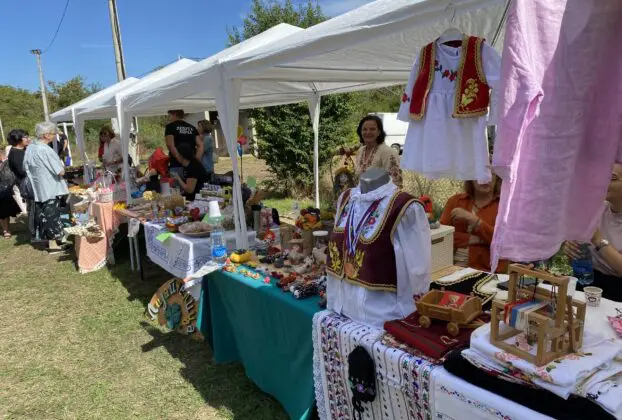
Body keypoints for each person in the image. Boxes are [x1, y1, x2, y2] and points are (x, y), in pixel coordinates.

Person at [565, 162, 622, 301]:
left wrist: (598, 239)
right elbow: (577, 259)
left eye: (612, 178)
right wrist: (572, 250)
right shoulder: (597, 209)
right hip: (588, 281)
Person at [440, 176, 507, 273]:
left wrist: (476, 221)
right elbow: (442, 237)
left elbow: (505, 242)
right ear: (470, 177)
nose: (485, 179)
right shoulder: (455, 201)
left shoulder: (504, 205)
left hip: (488, 272)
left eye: (490, 174)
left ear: (497, 178)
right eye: (480, 174)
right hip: (452, 269)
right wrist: (476, 239)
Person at [24, 122, 69, 248]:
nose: (55, 136)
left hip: (38, 186)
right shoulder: (44, 150)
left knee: (44, 215)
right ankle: (55, 244)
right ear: (46, 135)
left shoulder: (31, 148)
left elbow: (25, 167)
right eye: (53, 133)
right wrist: (62, 168)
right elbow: (59, 171)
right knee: (52, 216)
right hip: (49, 187)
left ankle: (49, 242)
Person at [341, 115, 403, 188]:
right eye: (364, 129)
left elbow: (396, 184)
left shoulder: (388, 152)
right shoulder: (360, 151)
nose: (368, 132)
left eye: (372, 129)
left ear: (379, 132)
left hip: (383, 195)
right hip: (360, 194)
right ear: (360, 132)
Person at [165, 110, 203, 177]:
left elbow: (170, 145)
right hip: (191, 163)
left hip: (176, 163)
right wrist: (197, 159)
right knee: (191, 182)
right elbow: (200, 145)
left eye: (169, 116)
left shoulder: (170, 127)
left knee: (177, 183)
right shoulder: (192, 128)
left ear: (175, 114)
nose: (169, 118)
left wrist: (179, 158)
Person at [7, 129, 31, 214]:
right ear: (18, 139)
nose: (28, 139)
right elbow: (24, 171)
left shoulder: (21, 150)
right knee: (33, 209)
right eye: (25, 137)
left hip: (28, 184)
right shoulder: (16, 154)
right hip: (27, 185)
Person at [0, 148, 21, 238]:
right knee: (3, 211)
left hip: (5, 188)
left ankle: (6, 229)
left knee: (5, 210)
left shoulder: (6, 162)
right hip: (3, 189)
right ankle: (6, 230)